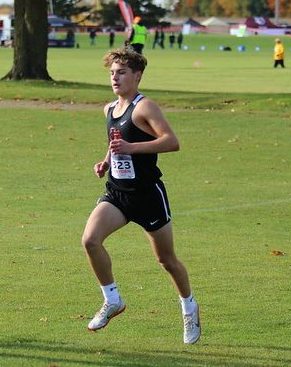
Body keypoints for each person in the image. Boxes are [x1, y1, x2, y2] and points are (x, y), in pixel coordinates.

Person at [82, 47, 201, 345]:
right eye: (112, 72)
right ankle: (113, 300)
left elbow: (172, 142)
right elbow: (116, 143)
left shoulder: (145, 107)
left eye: (121, 72)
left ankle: (189, 306)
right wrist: (106, 162)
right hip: (117, 194)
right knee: (90, 240)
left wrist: (132, 150)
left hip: (148, 196)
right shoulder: (109, 109)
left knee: (166, 260)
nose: (115, 77)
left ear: (137, 75)